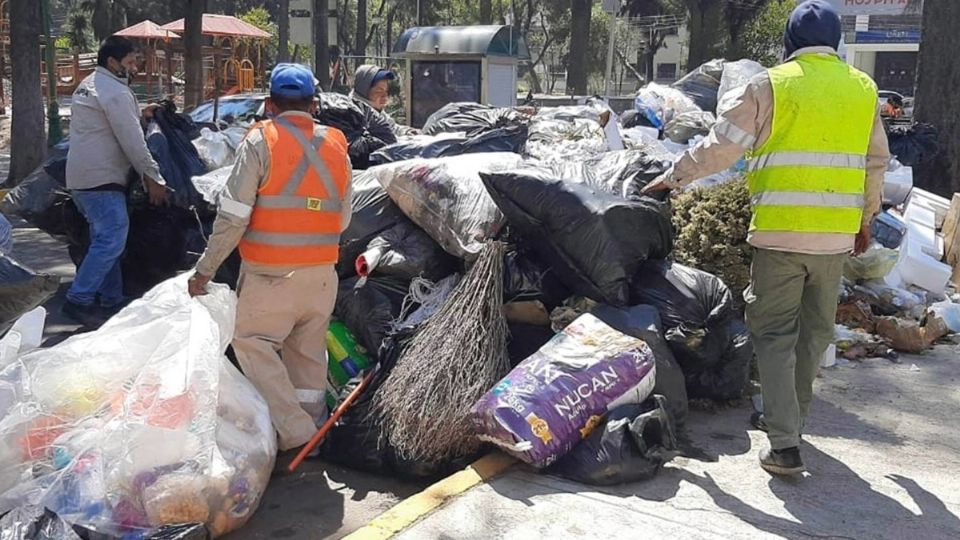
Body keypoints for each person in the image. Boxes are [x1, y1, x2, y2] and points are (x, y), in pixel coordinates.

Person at [643, 0, 889, 476]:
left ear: (790, 42)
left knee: (775, 335)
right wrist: (865, 220)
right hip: (835, 239)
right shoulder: (863, 88)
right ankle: (789, 420)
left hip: (780, 234)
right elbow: (875, 163)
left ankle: (784, 444)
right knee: (814, 332)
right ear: (836, 42)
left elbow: (721, 147)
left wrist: (674, 177)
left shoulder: (769, 85)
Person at [188, 63, 352, 453]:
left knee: (252, 342)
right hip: (322, 275)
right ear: (314, 104)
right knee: (307, 357)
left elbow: (232, 216)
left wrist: (204, 271)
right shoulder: (336, 144)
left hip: (271, 275)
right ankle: (311, 430)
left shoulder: (261, 141)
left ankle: (297, 433)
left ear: (269, 104)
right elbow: (343, 216)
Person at [63, 36, 168, 328]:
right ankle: (78, 300)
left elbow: (116, 121)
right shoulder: (114, 91)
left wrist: (140, 113)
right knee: (112, 237)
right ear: (113, 62)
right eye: (131, 62)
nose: (134, 68)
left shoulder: (92, 85)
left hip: (83, 177)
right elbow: (132, 140)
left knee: (105, 239)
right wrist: (153, 177)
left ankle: (111, 298)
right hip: (101, 178)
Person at [350, 64, 417, 136]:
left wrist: (407, 132)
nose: (385, 96)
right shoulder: (353, 116)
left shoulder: (376, 111)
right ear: (364, 91)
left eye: (386, 91)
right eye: (379, 91)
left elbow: (392, 127)